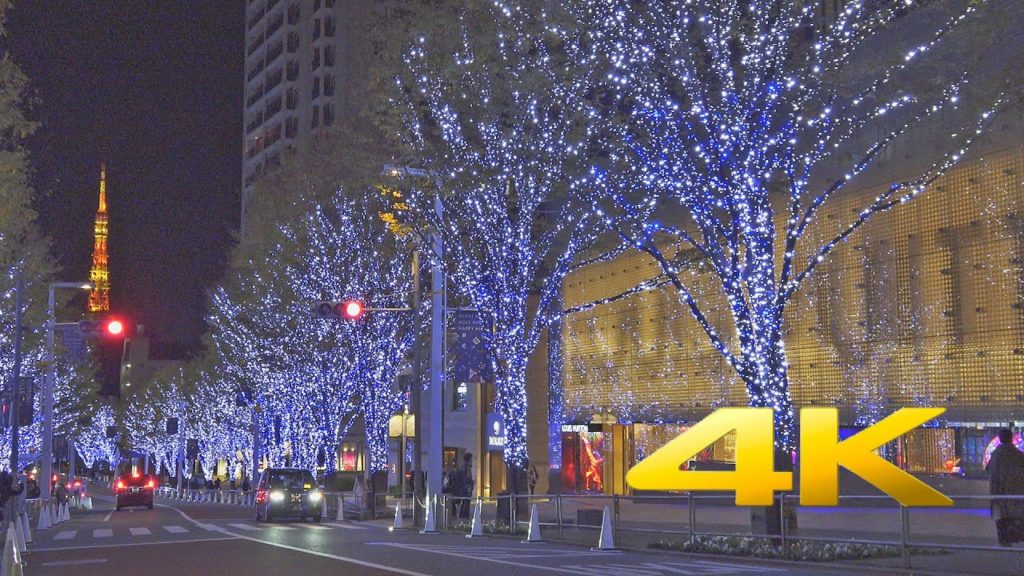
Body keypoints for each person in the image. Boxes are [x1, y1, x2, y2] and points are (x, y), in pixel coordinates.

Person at [986, 428, 1024, 546]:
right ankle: (1016, 537)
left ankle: (1005, 540)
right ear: (1011, 438)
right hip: (1017, 492)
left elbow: (989, 470)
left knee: (1002, 517)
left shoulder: (996, 455)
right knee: (1016, 517)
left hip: (1000, 492)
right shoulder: (1018, 455)